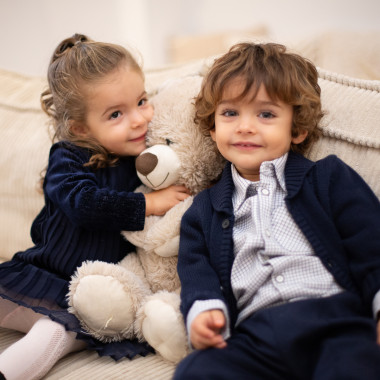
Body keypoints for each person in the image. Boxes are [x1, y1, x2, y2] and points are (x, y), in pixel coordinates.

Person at [174, 42, 380, 379]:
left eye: (266, 114)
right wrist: (203, 312)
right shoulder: (203, 210)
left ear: (297, 128)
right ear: (212, 127)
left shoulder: (327, 178)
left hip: (335, 323)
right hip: (256, 337)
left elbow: (371, 243)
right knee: (196, 371)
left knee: (355, 366)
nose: (245, 126)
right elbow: (196, 271)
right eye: (230, 113)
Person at [0, 33, 190, 380]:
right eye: (116, 113)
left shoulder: (147, 158)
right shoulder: (69, 157)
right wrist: (144, 204)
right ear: (80, 127)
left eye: (142, 100)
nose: (138, 119)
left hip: (89, 300)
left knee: (54, 333)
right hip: (39, 274)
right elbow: (82, 204)